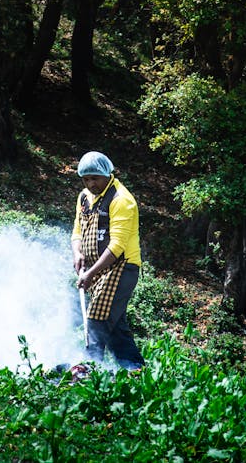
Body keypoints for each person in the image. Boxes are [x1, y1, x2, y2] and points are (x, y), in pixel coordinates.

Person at [71, 151, 145, 371]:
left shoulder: (122, 200)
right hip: (98, 269)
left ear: (107, 174)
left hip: (123, 267)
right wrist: (78, 253)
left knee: (97, 317)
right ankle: (135, 369)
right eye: (86, 179)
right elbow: (77, 230)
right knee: (116, 327)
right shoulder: (84, 197)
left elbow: (117, 246)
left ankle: (90, 368)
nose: (91, 184)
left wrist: (90, 273)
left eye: (95, 178)